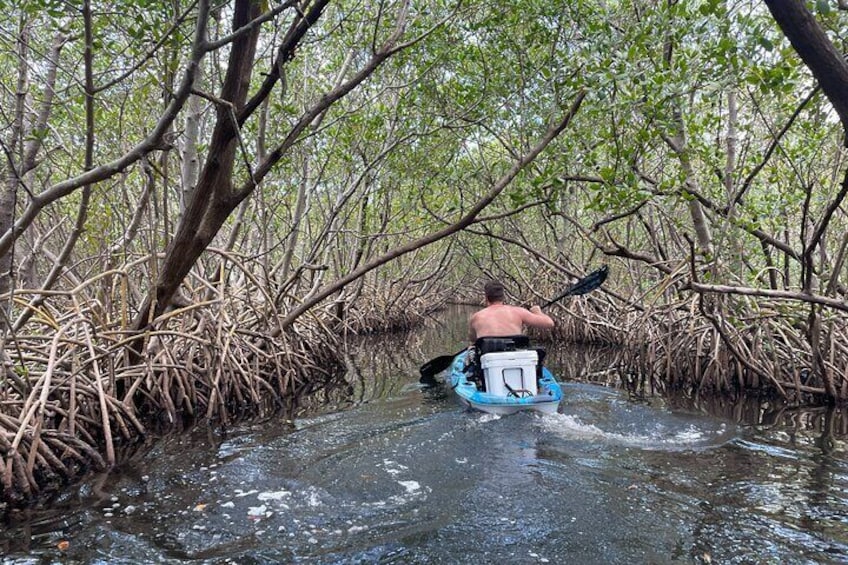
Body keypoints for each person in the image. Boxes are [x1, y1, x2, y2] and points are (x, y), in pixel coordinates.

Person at [468, 280, 554, 343]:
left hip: (488, 359)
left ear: (486, 298)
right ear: (503, 297)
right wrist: (537, 312)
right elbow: (549, 323)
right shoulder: (519, 312)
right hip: (514, 359)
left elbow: (473, 339)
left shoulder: (476, 317)